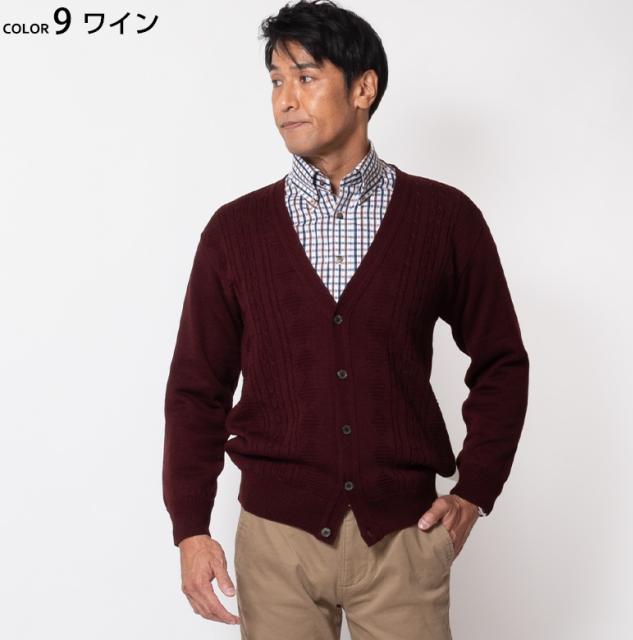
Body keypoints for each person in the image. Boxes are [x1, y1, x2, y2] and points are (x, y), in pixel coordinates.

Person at [162, 1, 529, 637]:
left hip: (404, 536)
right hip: (276, 540)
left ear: (364, 88)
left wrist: (476, 489)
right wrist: (190, 527)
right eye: (276, 80)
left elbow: (501, 361)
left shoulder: (444, 219)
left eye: (306, 77)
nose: (285, 100)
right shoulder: (235, 231)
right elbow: (197, 387)